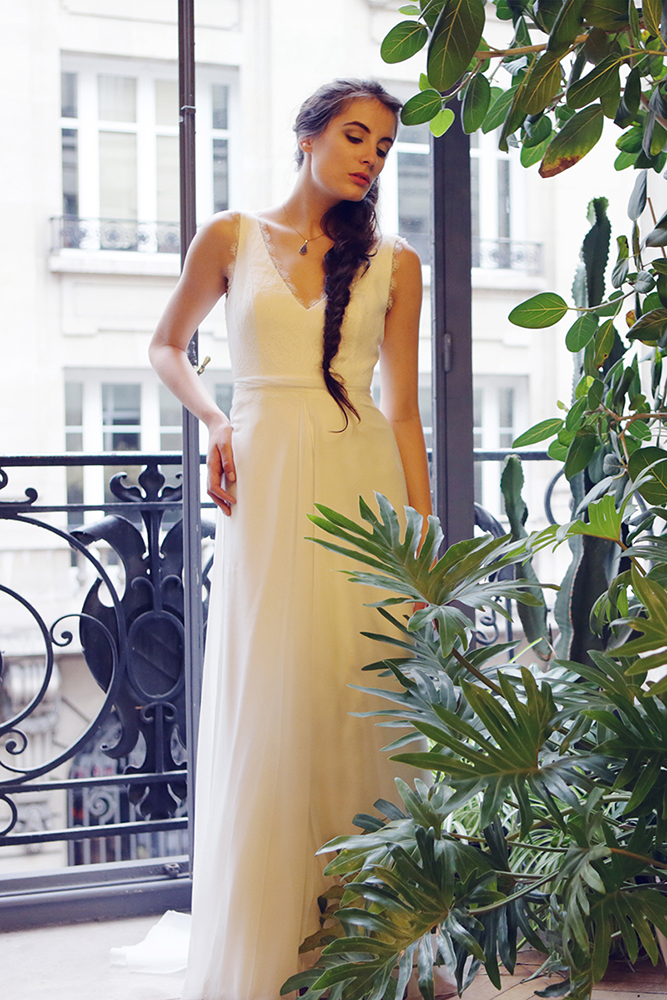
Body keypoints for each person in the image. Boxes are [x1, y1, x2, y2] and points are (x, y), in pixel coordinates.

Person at [149, 78, 432, 1000]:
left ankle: (376, 940)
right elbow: (166, 344)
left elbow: (403, 412)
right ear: (306, 136)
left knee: (359, 689)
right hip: (265, 481)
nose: (370, 157)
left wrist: (421, 547)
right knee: (275, 689)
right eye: (355, 135)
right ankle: (277, 934)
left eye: (383, 146)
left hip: (362, 484)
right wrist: (215, 421)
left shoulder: (396, 262)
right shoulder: (229, 237)